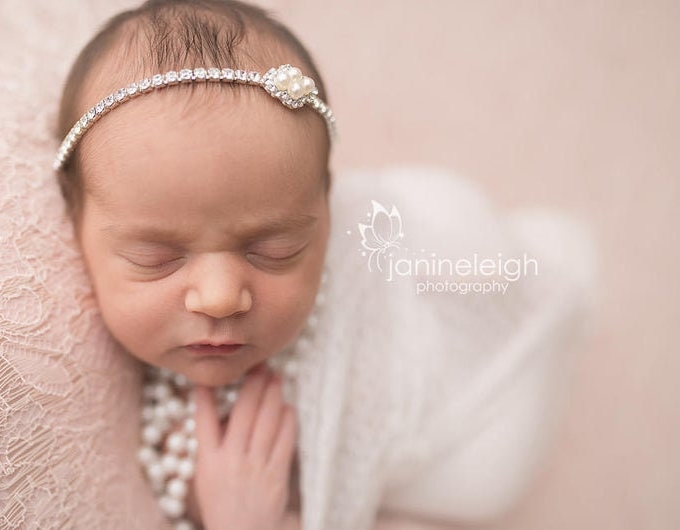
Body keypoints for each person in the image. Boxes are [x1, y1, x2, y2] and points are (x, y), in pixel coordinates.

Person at [53, 1, 595, 529]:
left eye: (275, 250)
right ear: (74, 223)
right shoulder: (148, 436)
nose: (220, 297)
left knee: (483, 474)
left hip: (467, 384)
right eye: (158, 259)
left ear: (324, 212)